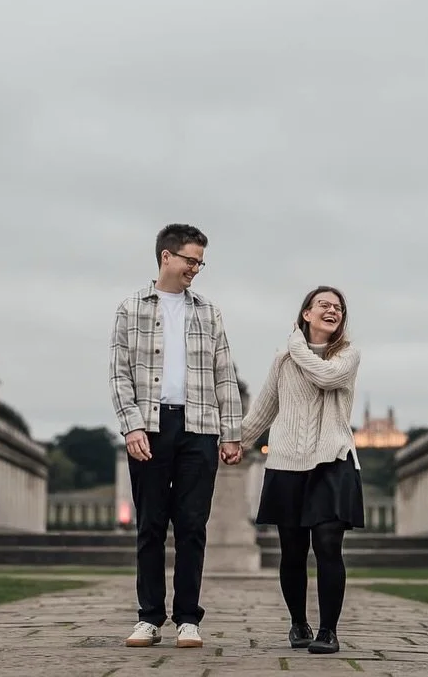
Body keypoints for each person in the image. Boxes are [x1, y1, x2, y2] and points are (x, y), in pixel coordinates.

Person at [109, 223, 244, 650]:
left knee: (192, 526)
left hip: (200, 427)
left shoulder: (209, 312)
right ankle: (149, 617)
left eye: (200, 262)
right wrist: (130, 424)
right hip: (149, 425)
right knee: (150, 525)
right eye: (191, 260)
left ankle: (188, 618)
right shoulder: (130, 308)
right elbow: (119, 373)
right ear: (166, 257)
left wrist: (232, 432)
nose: (196, 269)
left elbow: (225, 374)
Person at [240, 286, 362, 655]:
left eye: (338, 307)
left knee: (328, 545)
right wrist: (233, 444)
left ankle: (328, 631)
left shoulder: (348, 355)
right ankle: (298, 623)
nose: (332, 310)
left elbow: (325, 377)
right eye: (323, 304)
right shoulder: (282, 361)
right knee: (292, 551)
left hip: (333, 459)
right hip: (287, 463)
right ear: (306, 313)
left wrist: (296, 347)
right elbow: (263, 410)